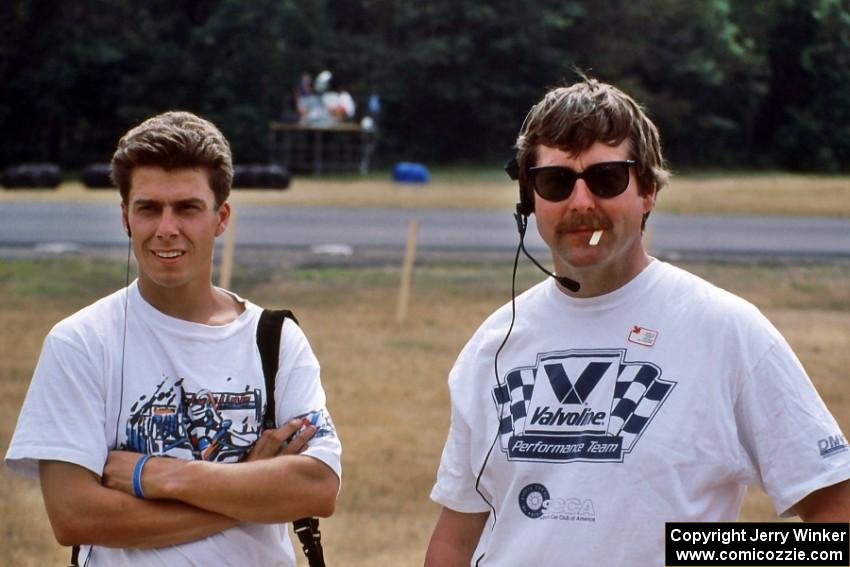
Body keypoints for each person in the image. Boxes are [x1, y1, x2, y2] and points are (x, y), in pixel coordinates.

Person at [425, 78, 850, 566]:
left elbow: (834, 506)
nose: (581, 203)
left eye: (606, 178)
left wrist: (697, 552)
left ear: (647, 190)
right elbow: (457, 535)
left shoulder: (727, 331)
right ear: (529, 199)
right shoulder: (493, 346)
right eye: (556, 182)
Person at [5, 111, 341, 566]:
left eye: (187, 207)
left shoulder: (275, 340)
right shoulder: (80, 343)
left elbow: (317, 488)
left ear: (220, 217)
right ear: (125, 217)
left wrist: (153, 475)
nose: (167, 228)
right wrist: (251, 485)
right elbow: (74, 516)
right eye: (149, 208)